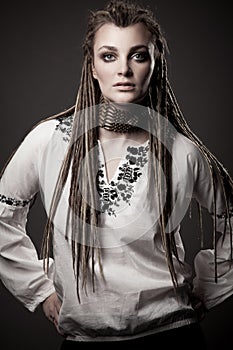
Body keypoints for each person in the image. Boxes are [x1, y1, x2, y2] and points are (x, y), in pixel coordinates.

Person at [0, 0, 233, 349]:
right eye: (109, 56)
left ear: (155, 65)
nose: (123, 69)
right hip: (84, 340)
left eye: (138, 56)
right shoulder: (49, 142)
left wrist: (208, 291)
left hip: (173, 335)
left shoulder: (180, 150)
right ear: (92, 66)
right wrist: (41, 292)